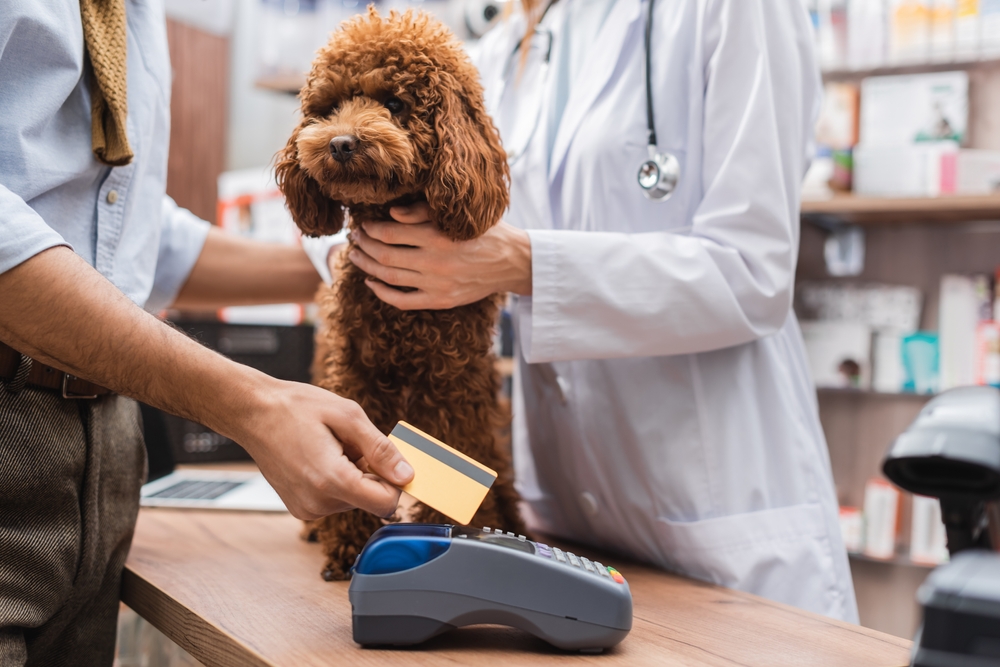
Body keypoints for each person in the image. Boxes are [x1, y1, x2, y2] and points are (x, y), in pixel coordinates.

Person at [346, 0, 859, 622]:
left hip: (718, 531)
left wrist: (525, 264)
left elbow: (753, 272)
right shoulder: (499, 49)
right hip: (562, 524)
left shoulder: (726, 12)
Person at [0, 2, 413, 665]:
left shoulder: (135, 13)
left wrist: (355, 262)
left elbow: (124, 235)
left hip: (107, 450)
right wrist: (251, 403)